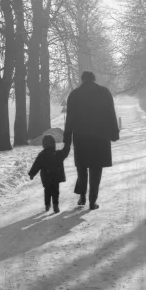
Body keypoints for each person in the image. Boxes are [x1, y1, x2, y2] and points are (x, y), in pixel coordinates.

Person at [62, 71, 119, 210]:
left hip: (81, 136)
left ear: (82, 80)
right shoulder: (104, 92)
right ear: (94, 78)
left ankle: (82, 196)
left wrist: (67, 138)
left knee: (82, 168)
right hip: (100, 136)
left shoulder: (74, 94)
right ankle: (92, 201)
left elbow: (70, 118)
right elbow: (111, 113)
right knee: (96, 169)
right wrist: (114, 133)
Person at [28, 134, 69, 213]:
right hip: (56, 176)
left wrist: (32, 174)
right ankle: (55, 205)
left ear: (44, 144)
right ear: (53, 144)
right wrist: (67, 145)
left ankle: (47, 205)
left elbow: (36, 164)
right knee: (55, 191)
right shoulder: (57, 154)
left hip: (46, 176)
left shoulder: (42, 154)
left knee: (47, 191)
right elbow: (65, 152)